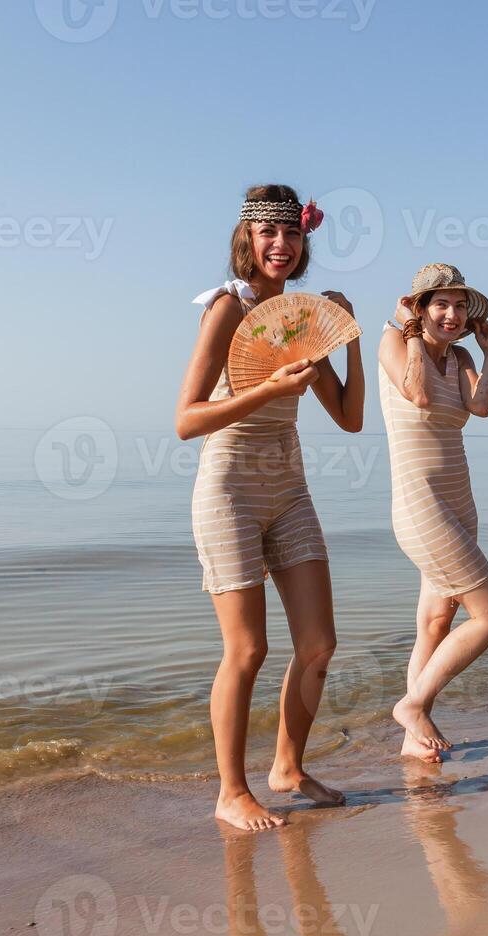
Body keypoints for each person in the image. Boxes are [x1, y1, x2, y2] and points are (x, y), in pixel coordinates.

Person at [174, 184, 362, 830]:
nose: (281, 245)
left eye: (293, 234)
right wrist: (268, 390)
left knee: (318, 644)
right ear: (247, 240)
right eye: (269, 234)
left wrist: (351, 341)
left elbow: (350, 418)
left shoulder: (306, 317)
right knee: (247, 649)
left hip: (290, 489)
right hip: (228, 488)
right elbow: (185, 420)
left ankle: (286, 765)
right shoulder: (228, 308)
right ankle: (231, 791)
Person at [377, 263, 488, 763]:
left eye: (460, 306)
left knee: (436, 621)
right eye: (441, 304)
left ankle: (414, 738)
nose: (452, 315)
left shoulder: (460, 357)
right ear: (420, 308)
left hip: (459, 500)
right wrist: (412, 332)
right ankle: (412, 706)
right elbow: (415, 391)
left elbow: (481, 407)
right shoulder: (393, 343)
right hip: (421, 505)